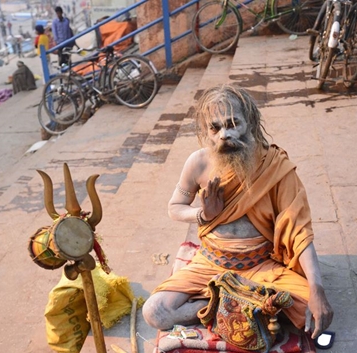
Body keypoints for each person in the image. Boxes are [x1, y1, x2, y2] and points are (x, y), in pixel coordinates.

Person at [142, 85, 334, 340]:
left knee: (312, 310)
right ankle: (235, 304)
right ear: (206, 131)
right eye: (216, 128)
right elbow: (174, 208)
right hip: (210, 263)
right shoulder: (198, 162)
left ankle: (239, 300)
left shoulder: (275, 166)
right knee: (155, 312)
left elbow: (299, 233)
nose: (225, 134)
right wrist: (204, 216)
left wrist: (317, 288)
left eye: (234, 124)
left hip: (260, 265)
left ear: (251, 122)